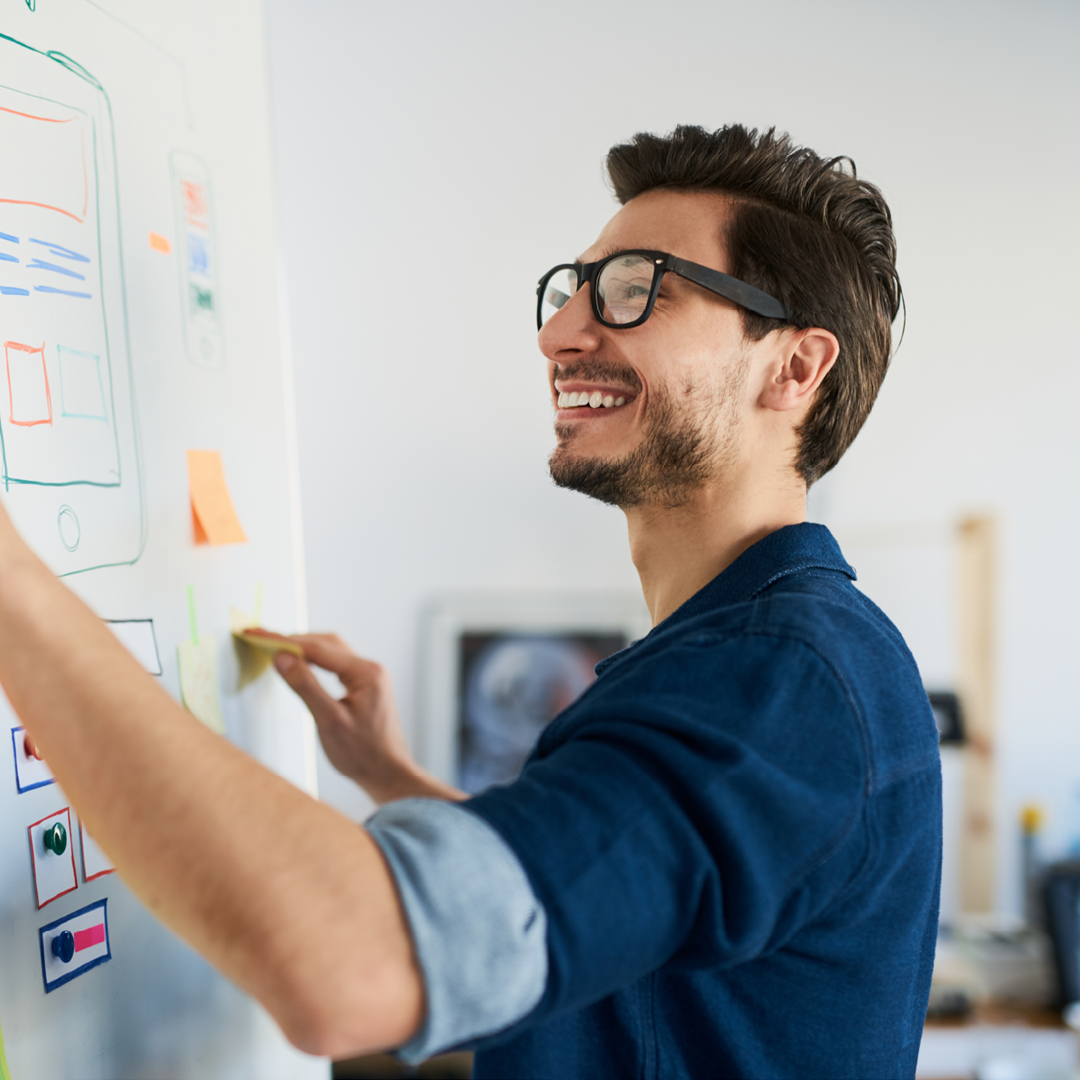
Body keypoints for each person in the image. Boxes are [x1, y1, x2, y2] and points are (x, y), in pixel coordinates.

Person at [0, 124, 941, 1079]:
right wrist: (397, 781)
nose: (560, 333)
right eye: (573, 288)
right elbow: (611, 910)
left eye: (634, 288)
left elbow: (350, 970)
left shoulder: (779, 684)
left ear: (794, 368)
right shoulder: (775, 653)